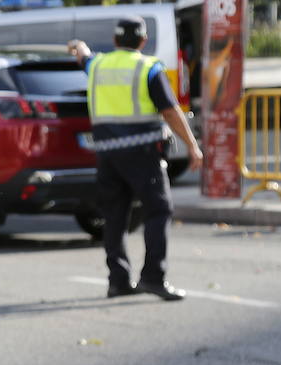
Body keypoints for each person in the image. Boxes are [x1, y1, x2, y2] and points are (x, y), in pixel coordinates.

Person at [69, 16, 203, 301]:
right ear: (143, 41)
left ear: (116, 41)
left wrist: (79, 47)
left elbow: (84, 58)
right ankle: (153, 277)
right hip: (142, 153)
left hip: (107, 155)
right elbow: (169, 111)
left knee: (115, 216)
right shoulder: (148, 67)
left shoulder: (99, 65)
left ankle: (117, 281)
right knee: (159, 210)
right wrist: (192, 145)